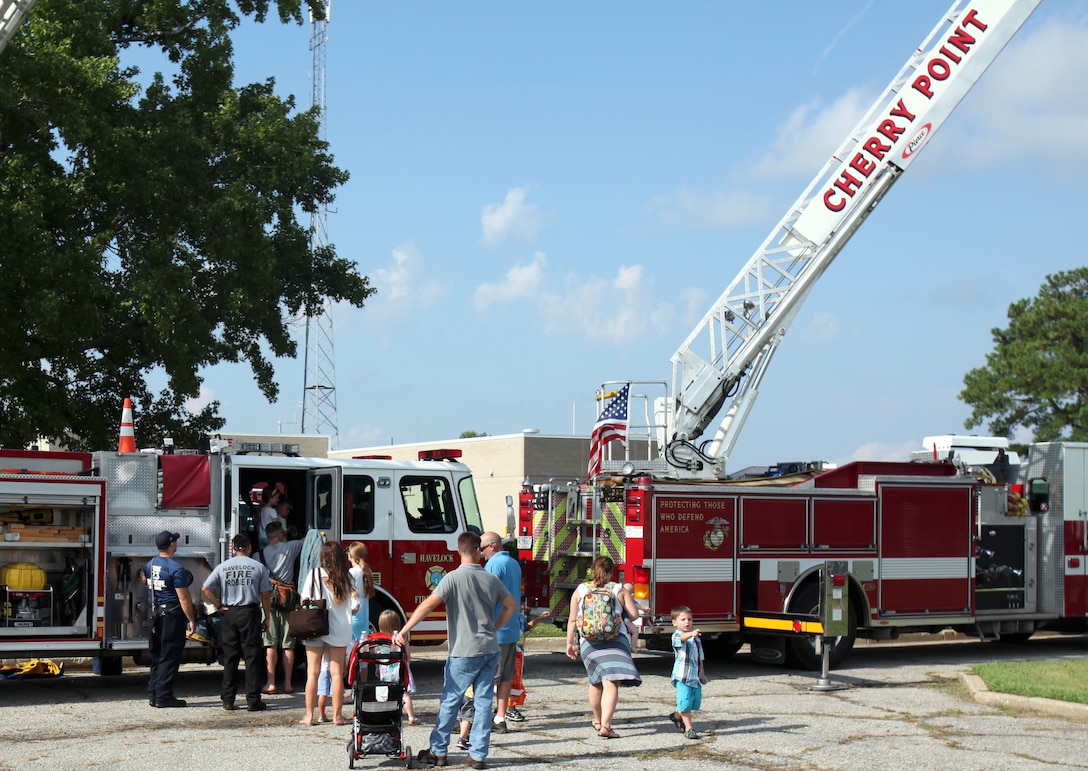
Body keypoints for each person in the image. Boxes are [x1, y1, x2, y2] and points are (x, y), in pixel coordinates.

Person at [394, 532, 517, 770]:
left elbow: (429, 604)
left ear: (459, 550)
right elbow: (511, 605)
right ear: (478, 550)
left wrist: (405, 630)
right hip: (489, 649)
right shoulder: (491, 579)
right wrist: (495, 627)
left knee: (451, 701)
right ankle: (478, 755)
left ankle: (439, 752)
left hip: (463, 651)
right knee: (482, 703)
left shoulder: (452, 578)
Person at [565, 555, 641, 739]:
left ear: (592, 570)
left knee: (595, 681)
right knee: (612, 681)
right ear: (610, 572)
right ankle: (606, 725)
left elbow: (573, 619)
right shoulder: (618, 589)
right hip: (616, 640)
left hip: (589, 642)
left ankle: (597, 720)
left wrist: (569, 643)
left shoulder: (581, 589)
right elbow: (633, 615)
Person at [201, 533, 273, 712]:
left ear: (233, 548)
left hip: (230, 614)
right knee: (252, 657)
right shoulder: (258, 567)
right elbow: (265, 595)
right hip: (249, 613)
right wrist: (267, 617)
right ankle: (253, 700)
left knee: (230, 657)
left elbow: (205, 588)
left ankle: (228, 699)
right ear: (249, 547)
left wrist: (218, 605)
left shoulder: (223, 567)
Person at [298, 541, 358, 726]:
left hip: (315, 627)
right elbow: (355, 607)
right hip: (340, 629)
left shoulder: (314, 574)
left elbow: (304, 601)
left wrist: (321, 607)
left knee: (312, 673)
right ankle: (338, 716)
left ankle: (309, 716)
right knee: (337, 674)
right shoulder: (347, 577)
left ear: (323, 557)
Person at [145, 530, 197, 708]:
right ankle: (164, 696)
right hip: (171, 616)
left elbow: (146, 581)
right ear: (172, 544)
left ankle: (153, 694)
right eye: (175, 541)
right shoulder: (176, 568)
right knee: (170, 655)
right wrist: (191, 619)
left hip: (154, 615)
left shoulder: (150, 564)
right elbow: (184, 598)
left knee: (157, 655)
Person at [481, 531, 521, 735]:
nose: (481, 554)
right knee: (505, 677)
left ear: (492, 546)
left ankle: (479, 718)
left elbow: (487, 595)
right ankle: (500, 717)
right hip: (512, 629)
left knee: (487, 677)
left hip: (496, 629)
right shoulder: (514, 563)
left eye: (482, 549)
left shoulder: (494, 565)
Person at [260, 519, 305, 693]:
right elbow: (307, 540)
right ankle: (288, 684)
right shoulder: (290, 547)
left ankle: (271, 683)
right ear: (280, 534)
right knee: (288, 645)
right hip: (287, 602)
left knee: (270, 644)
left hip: (268, 603)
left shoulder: (259, 555)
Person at [667, 605, 706, 740]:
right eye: (683, 619)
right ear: (674, 622)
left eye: (689, 619)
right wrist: (691, 634)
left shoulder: (696, 639)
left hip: (695, 677)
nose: (687, 622)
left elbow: (700, 657)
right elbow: (681, 639)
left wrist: (703, 673)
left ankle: (676, 716)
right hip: (682, 676)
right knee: (685, 701)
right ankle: (689, 728)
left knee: (693, 702)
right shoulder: (677, 635)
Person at [377, 609, 419, 724]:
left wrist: (377, 668)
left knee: (387, 692)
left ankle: (385, 715)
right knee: (405, 694)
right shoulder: (402, 638)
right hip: (400, 669)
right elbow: (408, 655)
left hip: (385, 670)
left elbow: (377, 655)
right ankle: (411, 717)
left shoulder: (381, 640)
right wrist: (407, 665)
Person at [257, 484, 281, 550]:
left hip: (261, 537)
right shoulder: (272, 511)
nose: (278, 500)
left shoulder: (262, 509)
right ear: (270, 498)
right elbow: (276, 526)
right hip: (270, 538)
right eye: (276, 498)